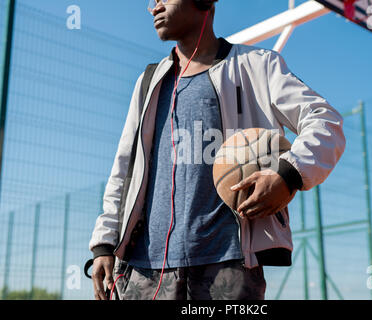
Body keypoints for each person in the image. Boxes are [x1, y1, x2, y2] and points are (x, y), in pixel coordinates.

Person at [88, 0, 346, 300]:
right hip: (143, 269)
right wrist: (104, 244)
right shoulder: (148, 82)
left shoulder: (257, 66)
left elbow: (326, 121)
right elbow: (125, 168)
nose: (153, 7)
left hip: (227, 266)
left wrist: (288, 173)